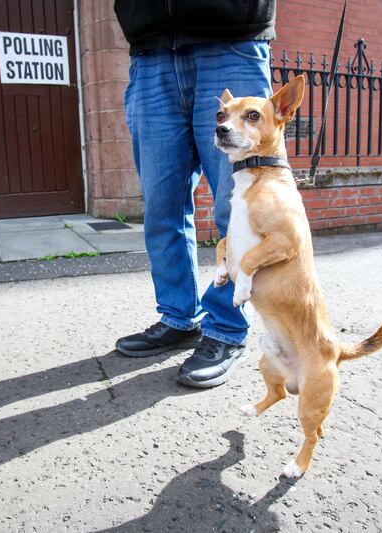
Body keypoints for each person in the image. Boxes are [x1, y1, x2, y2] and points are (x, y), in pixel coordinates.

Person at [113, 0, 278, 388]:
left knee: (238, 210)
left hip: (232, 42)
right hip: (150, 53)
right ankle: (178, 317)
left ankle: (226, 328)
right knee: (161, 209)